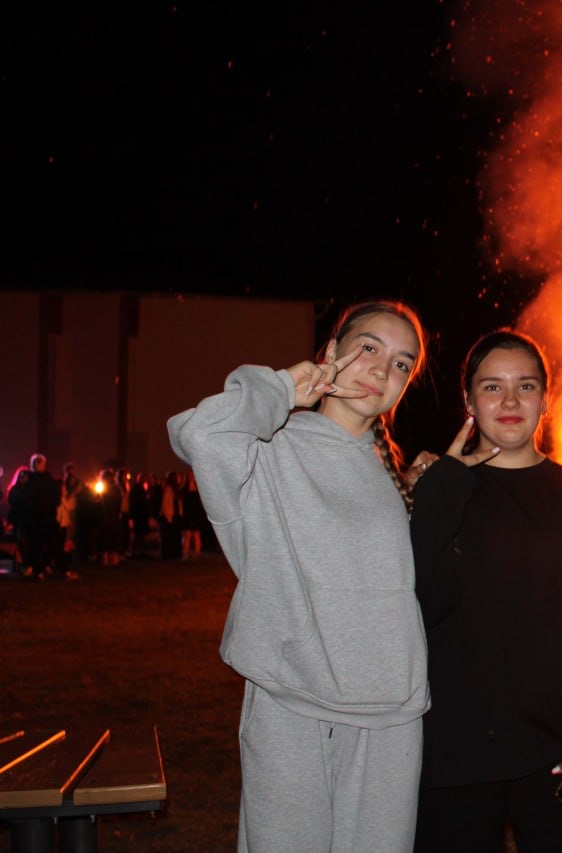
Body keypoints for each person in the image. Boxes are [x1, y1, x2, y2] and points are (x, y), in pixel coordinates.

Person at [168, 299, 431, 852]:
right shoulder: (267, 449)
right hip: (292, 702)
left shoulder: (392, 474)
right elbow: (199, 433)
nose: (382, 369)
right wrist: (286, 388)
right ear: (331, 350)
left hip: (390, 715)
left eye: (402, 363)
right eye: (368, 348)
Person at [410, 329, 562, 852]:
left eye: (526, 386)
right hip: (454, 752)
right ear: (469, 401)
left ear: (545, 400)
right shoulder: (441, 491)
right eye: (493, 387)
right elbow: (420, 606)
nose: (510, 401)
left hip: (558, 751)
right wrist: (438, 495)